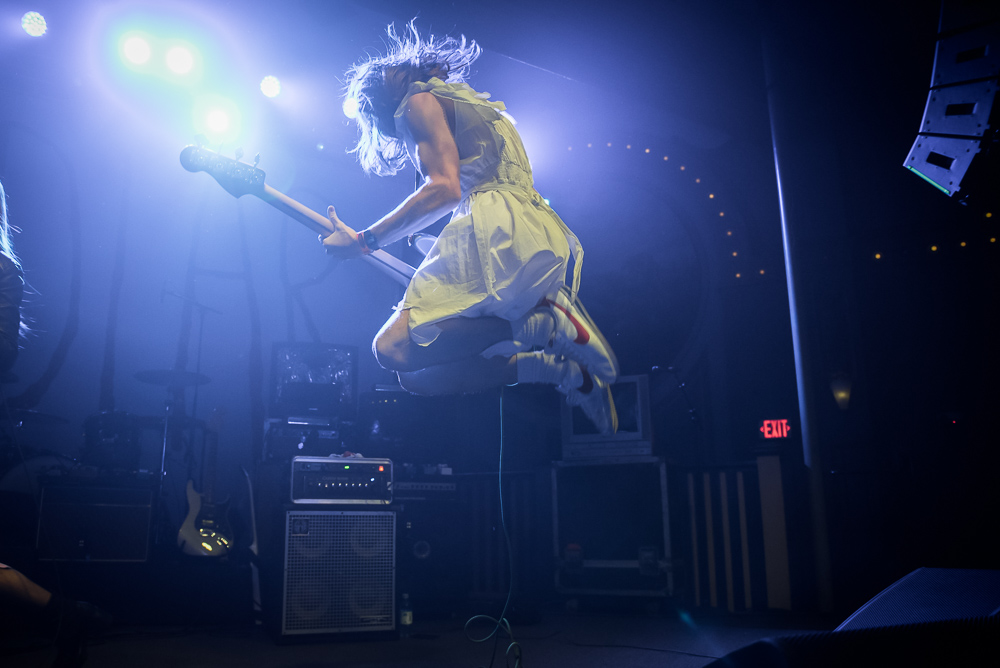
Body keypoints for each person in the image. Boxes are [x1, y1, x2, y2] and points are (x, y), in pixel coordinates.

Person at [321, 23, 619, 433]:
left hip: (499, 235)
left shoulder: (414, 103)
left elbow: (443, 188)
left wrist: (365, 240)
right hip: (534, 238)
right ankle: (558, 372)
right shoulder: (470, 103)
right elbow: (479, 186)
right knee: (417, 376)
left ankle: (544, 325)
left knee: (390, 350)